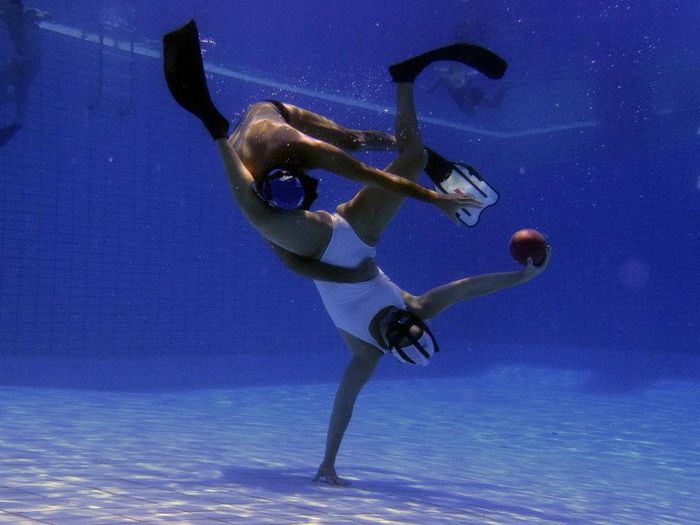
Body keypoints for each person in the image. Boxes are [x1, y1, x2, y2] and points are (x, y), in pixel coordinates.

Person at [163, 20, 548, 486]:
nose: (395, 323)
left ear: (389, 347)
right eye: (406, 324)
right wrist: (516, 275)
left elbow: (344, 404)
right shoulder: (313, 156)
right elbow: (465, 289)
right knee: (398, 156)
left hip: (320, 249)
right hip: (352, 233)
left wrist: (328, 463)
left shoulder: (367, 354)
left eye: (394, 334)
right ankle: (404, 91)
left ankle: (217, 129)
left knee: (264, 218)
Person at [0, 0, 43, 146]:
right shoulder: (10, 18)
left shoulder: (25, 19)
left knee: (19, 89)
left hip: (25, 65)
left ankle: (17, 123)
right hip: (20, 64)